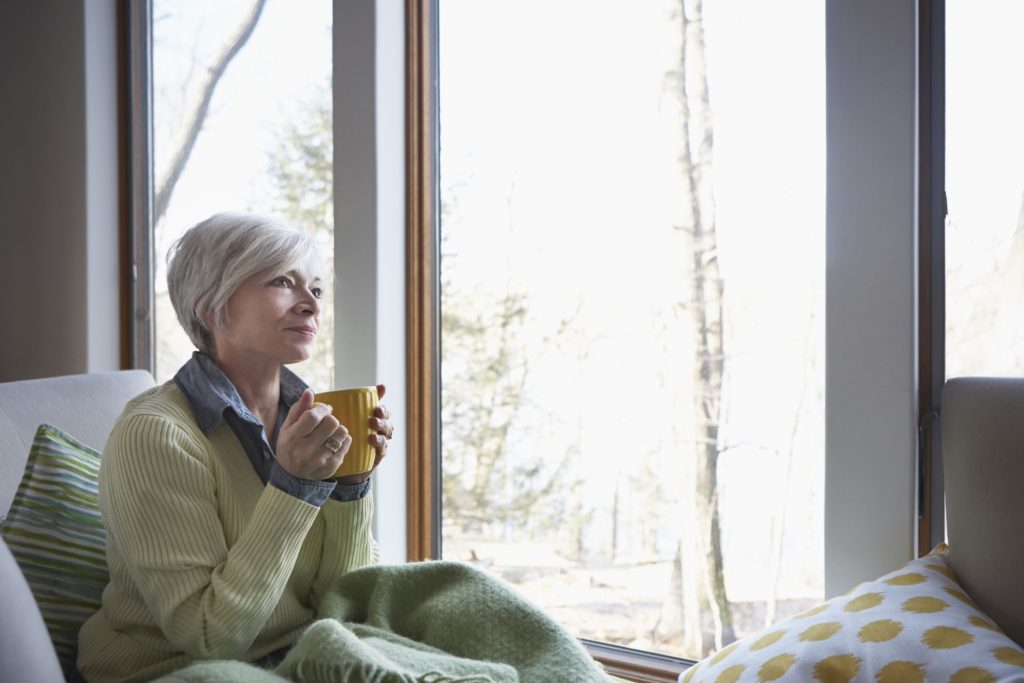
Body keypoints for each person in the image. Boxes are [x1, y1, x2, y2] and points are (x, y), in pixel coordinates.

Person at [76, 213, 393, 683]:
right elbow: (208, 635)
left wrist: (351, 485)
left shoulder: (308, 426)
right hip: (177, 671)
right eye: (283, 282)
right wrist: (294, 486)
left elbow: (345, 603)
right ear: (210, 307)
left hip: (294, 657)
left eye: (318, 290)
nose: (311, 305)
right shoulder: (155, 434)